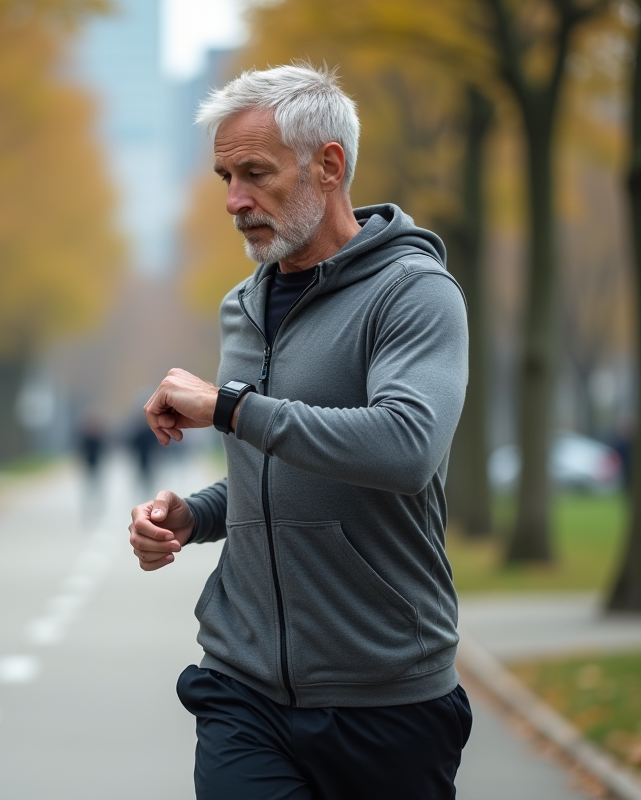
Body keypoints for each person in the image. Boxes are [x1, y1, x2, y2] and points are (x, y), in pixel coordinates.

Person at [128, 64, 472, 800]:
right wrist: (197, 517)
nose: (234, 200)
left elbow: (406, 447)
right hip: (243, 684)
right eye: (224, 176)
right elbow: (274, 462)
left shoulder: (414, 294)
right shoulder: (241, 307)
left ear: (329, 164)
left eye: (255, 173)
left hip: (385, 695)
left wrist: (228, 407)